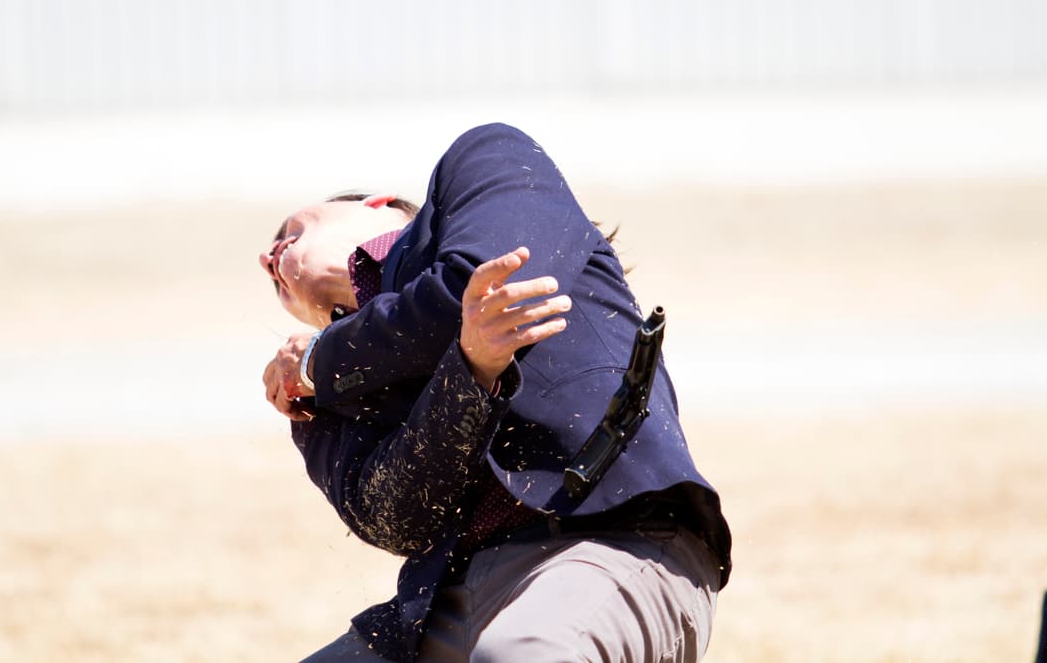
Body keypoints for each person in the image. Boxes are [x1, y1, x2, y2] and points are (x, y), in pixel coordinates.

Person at [260, 123, 731, 662]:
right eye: (272, 283)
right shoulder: (320, 391)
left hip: (614, 541)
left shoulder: (488, 162)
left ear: (378, 204)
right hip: (443, 603)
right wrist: (471, 372)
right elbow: (393, 516)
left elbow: (474, 284)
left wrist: (323, 359)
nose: (267, 258)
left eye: (292, 226)